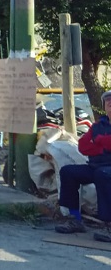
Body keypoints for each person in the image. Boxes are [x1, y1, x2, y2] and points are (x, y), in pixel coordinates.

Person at [55, 90, 111, 243]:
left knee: (104, 174)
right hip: (96, 165)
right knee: (68, 172)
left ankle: (109, 224)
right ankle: (75, 218)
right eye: (107, 101)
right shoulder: (98, 125)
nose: (110, 103)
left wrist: (100, 141)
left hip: (105, 170)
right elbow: (83, 146)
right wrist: (102, 146)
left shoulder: (97, 131)